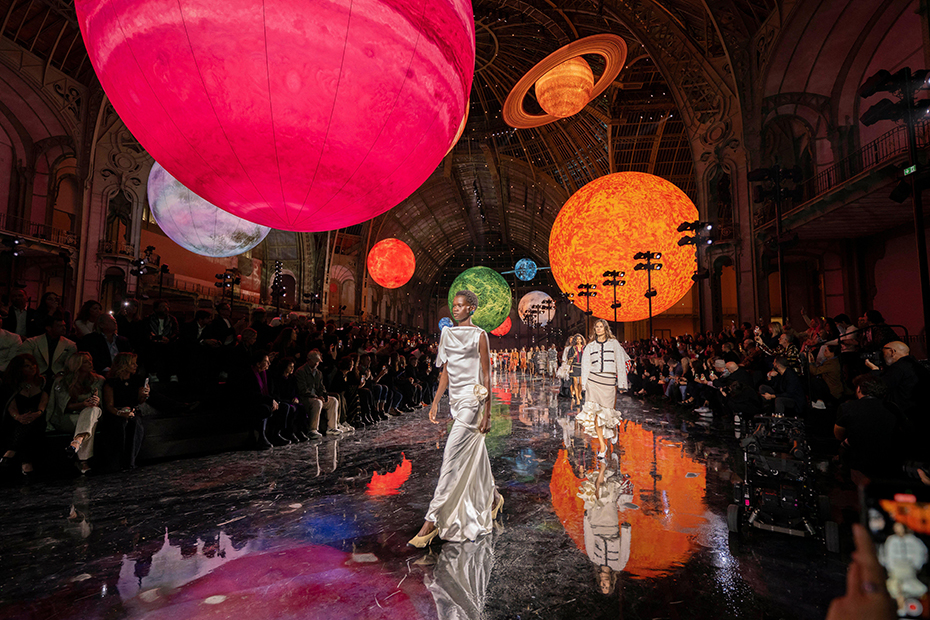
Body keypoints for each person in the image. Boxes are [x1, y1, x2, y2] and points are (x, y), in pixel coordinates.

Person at [409, 290, 503, 547]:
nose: (456, 309)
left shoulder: (480, 336)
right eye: (454, 305)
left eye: (461, 306)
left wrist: (487, 412)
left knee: (451, 456)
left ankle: (431, 520)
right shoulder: (447, 334)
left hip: (473, 401)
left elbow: (486, 376)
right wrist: (436, 401)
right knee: (476, 453)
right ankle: (493, 497)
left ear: (472, 308)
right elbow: (446, 373)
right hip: (455, 400)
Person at [578, 319, 630, 458]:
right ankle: (602, 445)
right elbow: (585, 366)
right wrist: (584, 384)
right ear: (594, 329)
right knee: (596, 413)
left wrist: (622, 383)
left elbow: (621, 362)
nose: (599, 329)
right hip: (593, 381)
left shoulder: (614, 344)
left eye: (601, 327)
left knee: (608, 412)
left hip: (609, 381)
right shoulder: (590, 346)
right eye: (597, 327)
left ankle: (613, 430)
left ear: (606, 329)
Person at [48, 352, 105, 474]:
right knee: (90, 422)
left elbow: (101, 404)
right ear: (76, 365)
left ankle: (77, 443)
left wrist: (96, 401)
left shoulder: (98, 380)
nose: (90, 363)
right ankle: (83, 460)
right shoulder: (61, 381)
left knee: (94, 410)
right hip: (69, 417)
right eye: (85, 361)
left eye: (90, 360)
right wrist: (82, 404)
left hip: (90, 415)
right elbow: (64, 407)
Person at [834, 374, 899, 481]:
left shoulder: (847, 407)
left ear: (859, 389)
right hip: (888, 460)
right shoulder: (892, 407)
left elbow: (838, 435)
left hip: (859, 461)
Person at [0, 354, 48, 476]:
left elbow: (43, 403)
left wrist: (38, 413)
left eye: (33, 364)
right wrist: (18, 417)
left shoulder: (42, 381)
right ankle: (26, 464)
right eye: (27, 366)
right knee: (26, 425)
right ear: (19, 369)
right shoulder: (11, 384)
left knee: (31, 418)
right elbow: (12, 406)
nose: (32, 368)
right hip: (16, 419)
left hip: (37, 417)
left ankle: (11, 451)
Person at [100, 352, 148, 470]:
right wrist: (120, 413)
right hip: (116, 412)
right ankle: (117, 462)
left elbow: (139, 401)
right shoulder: (111, 383)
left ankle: (130, 462)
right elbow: (109, 405)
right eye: (132, 364)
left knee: (135, 423)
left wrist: (144, 395)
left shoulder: (136, 380)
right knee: (119, 424)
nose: (135, 366)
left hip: (132, 411)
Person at [18, 315, 77, 388]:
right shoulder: (32, 342)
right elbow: (24, 362)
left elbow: (70, 365)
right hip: (35, 376)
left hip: (60, 379)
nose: (64, 328)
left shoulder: (70, 345)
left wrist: (62, 374)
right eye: (59, 326)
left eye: (64, 325)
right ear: (48, 328)